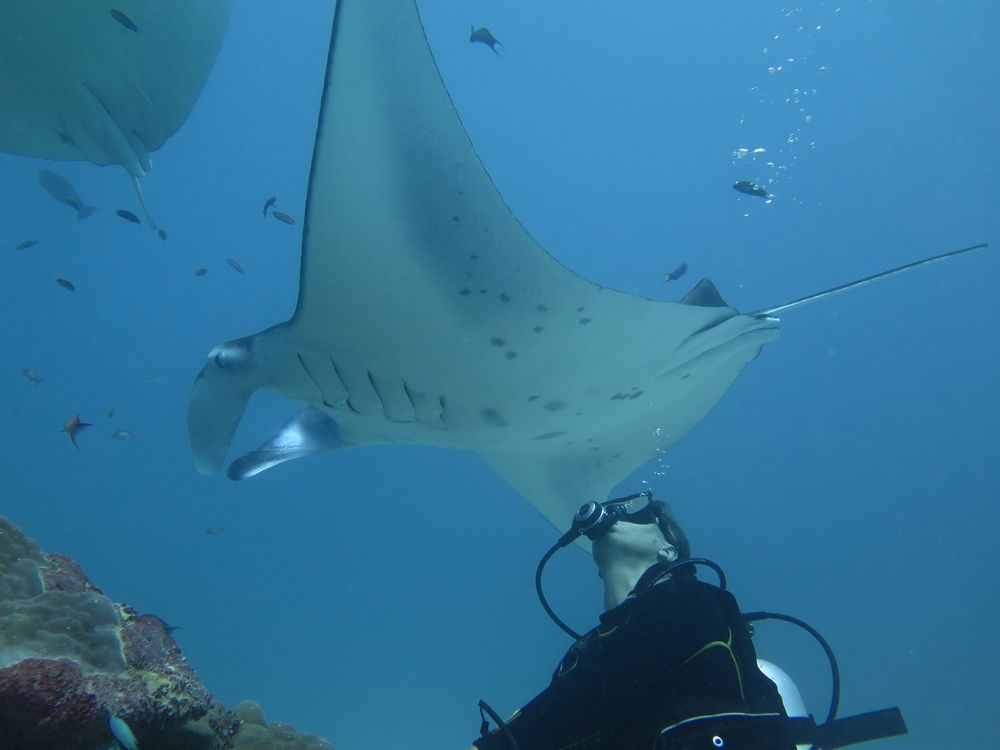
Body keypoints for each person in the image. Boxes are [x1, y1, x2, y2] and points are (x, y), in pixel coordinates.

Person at [470, 495, 793, 750]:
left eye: (640, 515)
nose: (619, 514)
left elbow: (601, 689)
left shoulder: (691, 601)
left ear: (668, 550)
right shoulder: (589, 650)